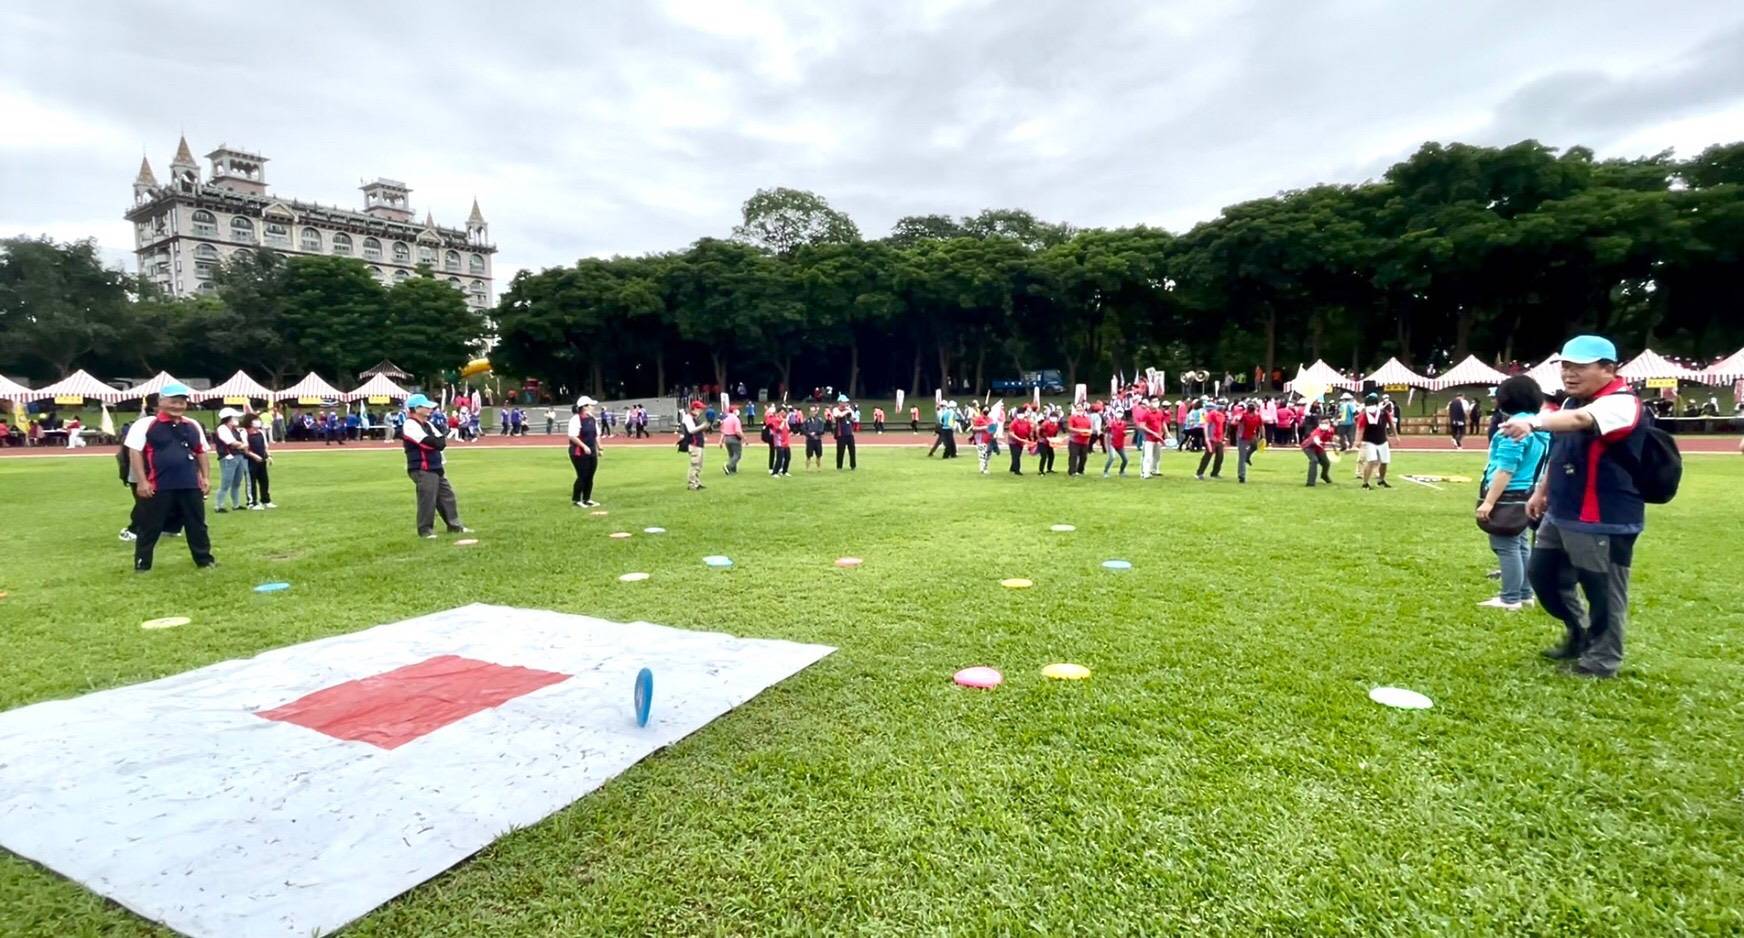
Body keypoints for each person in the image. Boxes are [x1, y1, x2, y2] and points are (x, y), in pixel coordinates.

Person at [1503, 335, 1653, 678]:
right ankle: (1580, 633)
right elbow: (1562, 452)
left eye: (1579, 367)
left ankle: (1602, 661)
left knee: (1604, 591)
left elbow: (1581, 422)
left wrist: (1533, 421)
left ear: (1608, 369)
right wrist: (1542, 491)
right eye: (1566, 367)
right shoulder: (1572, 402)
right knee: (1544, 576)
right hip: (1563, 511)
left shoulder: (1620, 403)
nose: (1569, 374)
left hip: (1605, 517)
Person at [1477, 376, 1550, 611]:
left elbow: (1506, 469)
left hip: (1509, 492)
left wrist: (1489, 502)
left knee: (1505, 545)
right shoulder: (1540, 427)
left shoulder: (1512, 429)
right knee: (1520, 544)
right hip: (1528, 490)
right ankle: (1525, 593)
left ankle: (1510, 598)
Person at [125, 383, 215, 572]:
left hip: (190, 483)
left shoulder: (192, 425)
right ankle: (143, 563)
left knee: (196, 524)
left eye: (182, 402)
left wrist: (205, 477)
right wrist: (142, 481)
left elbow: (201, 452)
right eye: (173, 401)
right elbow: (135, 453)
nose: (178, 406)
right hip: (159, 484)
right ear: (160, 402)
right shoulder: (145, 424)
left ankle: (204, 560)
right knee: (151, 526)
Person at [402, 394, 470, 539]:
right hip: (422, 467)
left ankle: (455, 526)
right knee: (428, 499)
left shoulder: (427, 424)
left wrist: (436, 442)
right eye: (425, 406)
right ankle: (425, 530)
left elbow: (440, 441)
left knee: (447, 495)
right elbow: (428, 442)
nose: (430, 409)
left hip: (435, 466)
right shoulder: (410, 424)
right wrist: (436, 442)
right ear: (416, 408)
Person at [212, 409, 249, 513]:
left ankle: (236, 504)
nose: (236, 419)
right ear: (228, 418)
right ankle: (219, 505)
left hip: (238, 456)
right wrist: (242, 444)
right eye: (234, 417)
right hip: (228, 457)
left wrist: (243, 443)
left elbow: (243, 442)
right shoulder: (222, 429)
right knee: (226, 483)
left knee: (237, 482)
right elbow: (231, 442)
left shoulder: (235, 430)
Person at [567, 396, 601, 507]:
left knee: (590, 475)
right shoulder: (576, 419)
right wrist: (584, 446)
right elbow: (572, 436)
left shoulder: (592, 419)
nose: (593, 407)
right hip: (578, 452)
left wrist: (599, 448)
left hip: (591, 451)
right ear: (584, 407)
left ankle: (587, 498)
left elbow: (596, 435)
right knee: (582, 475)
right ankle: (577, 500)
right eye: (590, 405)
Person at [1356, 394, 1393, 490]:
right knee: (1371, 461)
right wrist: (1358, 440)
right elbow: (1360, 428)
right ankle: (1365, 482)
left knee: (1384, 461)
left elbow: (1388, 424)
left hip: (1382, 440)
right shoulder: (1364, 414)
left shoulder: (1383, 413)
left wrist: (1394, 436)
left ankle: (1381, 480)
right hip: (1369, 440)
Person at [243, 412, 274, 509]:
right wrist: (254, 456)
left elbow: (265, 447)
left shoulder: (260, 432)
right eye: (255, 420)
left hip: (262, 460)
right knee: (251, 482)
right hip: (250, 461)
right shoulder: (244, 433)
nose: (258, 422)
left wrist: (268, 455)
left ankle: (266, 500)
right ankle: (252, 503)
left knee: (264, 480)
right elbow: (245, 449)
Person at [681, 398, 709, 489]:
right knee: (695, 465)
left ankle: (696, 482)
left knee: (699, 465)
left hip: (698, 444)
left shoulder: (694, 418)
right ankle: (692, 484)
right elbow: (691, 430)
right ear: (695, 408)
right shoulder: (688, 417)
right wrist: (702, 426)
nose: (701, 411)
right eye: (700, 409)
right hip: (694, 444)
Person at [1197, 399, 1227, 480]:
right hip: (1212, 438)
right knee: (1208, 455)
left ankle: (1215, 473)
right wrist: (1207, 437)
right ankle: (1200, 473)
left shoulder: (1222, 415)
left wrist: (1223, 437)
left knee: (1220, 456)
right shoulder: (1212, 414)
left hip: (1219, 439)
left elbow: (1221, 427)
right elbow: (1206, 425)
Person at [1236, 399, 1264, 483]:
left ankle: (1247, 457)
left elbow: (1261, 426)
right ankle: (1242, 476)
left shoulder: (1257, 416)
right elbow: (1240, 424)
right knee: (1242, 457)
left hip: (1251, 435)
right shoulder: (1245, 415)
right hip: (1244, 437)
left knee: (1255, 447)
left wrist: (1263, 436)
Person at [1301, 418, 1335, 487]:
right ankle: (1310, 483)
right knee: (1314, 461)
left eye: (1327, 423)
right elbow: (1315, 438)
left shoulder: (1331, 430)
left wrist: (1335, 447)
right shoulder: (1317, 431)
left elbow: (1331, 438)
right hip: (1309, 447)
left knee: (1326, 463)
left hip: (1319, 448)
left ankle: (1324, 476)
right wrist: (1318, 441)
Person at [1066, 403, 1093, 476]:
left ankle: (1080, 470)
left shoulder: (1087, 418)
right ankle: (1072, 471)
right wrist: (1080, 431)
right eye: (1077, 407)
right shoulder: (1072, 417)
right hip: (1074, 440)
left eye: (1080, 407)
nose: (1079, 409)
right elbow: (1070, 428)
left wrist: (1090, 431)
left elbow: (1090, 428)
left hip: (1085, 441)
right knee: (1073, 456)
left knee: (1084, 457)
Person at [1103, 407, 1129, 477]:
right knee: (1112, 457)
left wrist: (1125, 433)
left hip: (1120, 444)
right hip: (1112, 443)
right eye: (1118, 412)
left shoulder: (1124, 423)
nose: (1119, 414)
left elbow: (1124, 432)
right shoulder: (1112, 422)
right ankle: (1105, 472)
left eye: (1120, 412)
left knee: (1125, 459)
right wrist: (1107, 427)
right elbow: (1106, 430)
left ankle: (1121, 471)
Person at [719, 404, 744, 475]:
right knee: (737, 455)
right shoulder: (736, 419)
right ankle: (728, 466)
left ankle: (733, 470)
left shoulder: (725, 419)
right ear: (734, 411)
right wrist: (744, 438)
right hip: (734, 438)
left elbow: (723, 431)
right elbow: (738, 431)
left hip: (727, 438)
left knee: (731, 455)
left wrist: (721, 441)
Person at [832, 400, 857, 470]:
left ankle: (853, 466)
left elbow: (853, 419)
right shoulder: (836, 409)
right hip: (841, 434)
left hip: (849, 433)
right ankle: (839, 466)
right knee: (840, 451)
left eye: (846, 402)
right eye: (844, 402)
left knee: (852, 450)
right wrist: (846, 411)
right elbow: (839, 415)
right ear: (840, 403)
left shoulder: (848, 410)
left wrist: (850, 411)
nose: (845, 404)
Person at [768, 404, 792, 477]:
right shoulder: (775, 420)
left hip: (786, 442)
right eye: (781, 412)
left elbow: (788, 429)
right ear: (778, 413)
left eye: (784, 412)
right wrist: (783, 422)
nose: (783, 414)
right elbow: (778, 430)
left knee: (788, 457)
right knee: (779, 458)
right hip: (779, 442)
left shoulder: (784, 420)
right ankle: (775, 472)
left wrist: (786, 421)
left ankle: (784, 471)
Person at [1007, 405, 1032, 475]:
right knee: (1016, 455)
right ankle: (1017, 470)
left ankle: (1012, 468)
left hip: (1021, 442)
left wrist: (1029, 439)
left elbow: (1028, 432)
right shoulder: (1014, 423)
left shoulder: (1027, 422)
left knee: (1017, 455)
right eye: (1019, 413)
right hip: (1013, 442)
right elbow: (1011, 434)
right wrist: (1021, 439)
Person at [803, 405, 827, 470]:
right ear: (809, 412)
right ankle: (807, 468)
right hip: (810, 440)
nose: (812, 413)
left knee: (819, 455)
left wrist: (815, 433)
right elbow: (804, 430)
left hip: (817, 440)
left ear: (816, 412)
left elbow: (822, 430)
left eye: (813, 411)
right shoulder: (806, 421)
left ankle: (818, 468)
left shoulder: (819, 420)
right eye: (811, 411)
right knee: (808, 455)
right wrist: (809, 434)